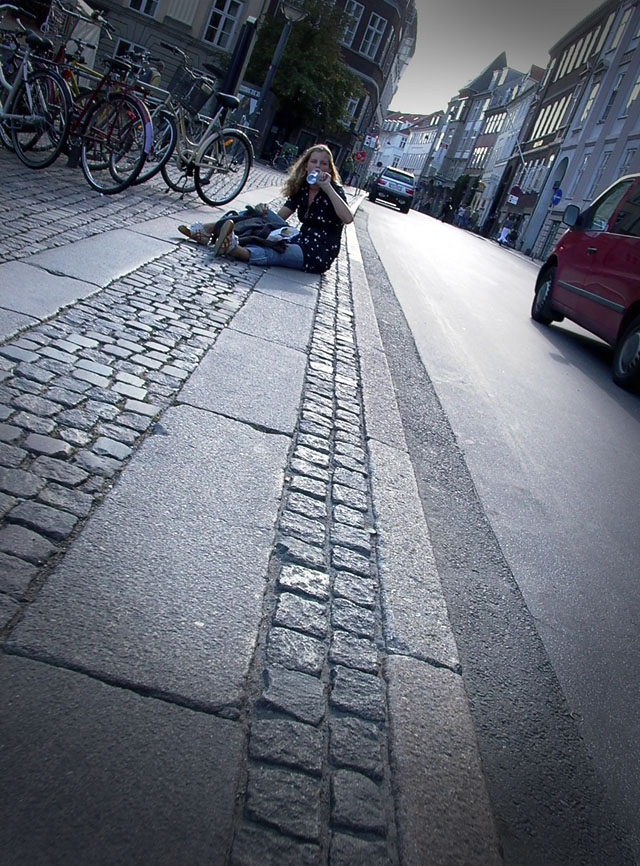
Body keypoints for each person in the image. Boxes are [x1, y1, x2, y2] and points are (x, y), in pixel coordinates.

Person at [178, 144, 353, 274]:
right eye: (314, 161)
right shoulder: (303, 189)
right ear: (306, 166)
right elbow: (278, 217)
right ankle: (208, 230)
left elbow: (347, 218)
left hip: (317, 253)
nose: (318, 166)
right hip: (300, 238)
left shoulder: (333, 190)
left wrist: (328, 187)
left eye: (323, 164)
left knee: (278, 251)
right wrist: (262, 214)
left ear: (329, 169)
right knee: (260, 214)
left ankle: (235, 249)